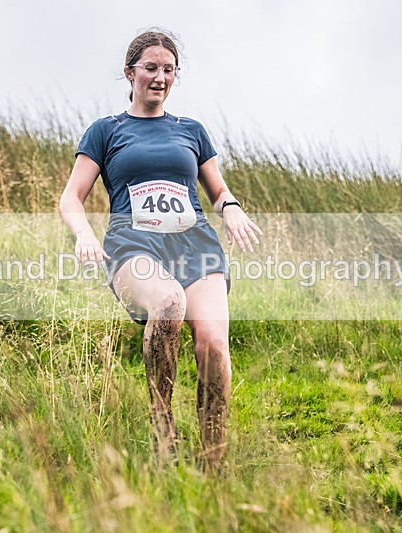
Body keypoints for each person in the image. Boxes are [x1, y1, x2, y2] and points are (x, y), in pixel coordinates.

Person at [59, 29, 262, 470]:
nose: (159, 77)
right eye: (150, 68)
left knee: (212, 345)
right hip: (134, 244)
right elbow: (71, 197)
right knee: (168, 302)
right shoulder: (105, 131)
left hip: (196, 244)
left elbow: (218, 190)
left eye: (168, 70)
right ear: (130, 73)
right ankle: (162, 422)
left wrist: (231, 210)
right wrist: (84, 235)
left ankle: (212, 459)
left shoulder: (191, 130)